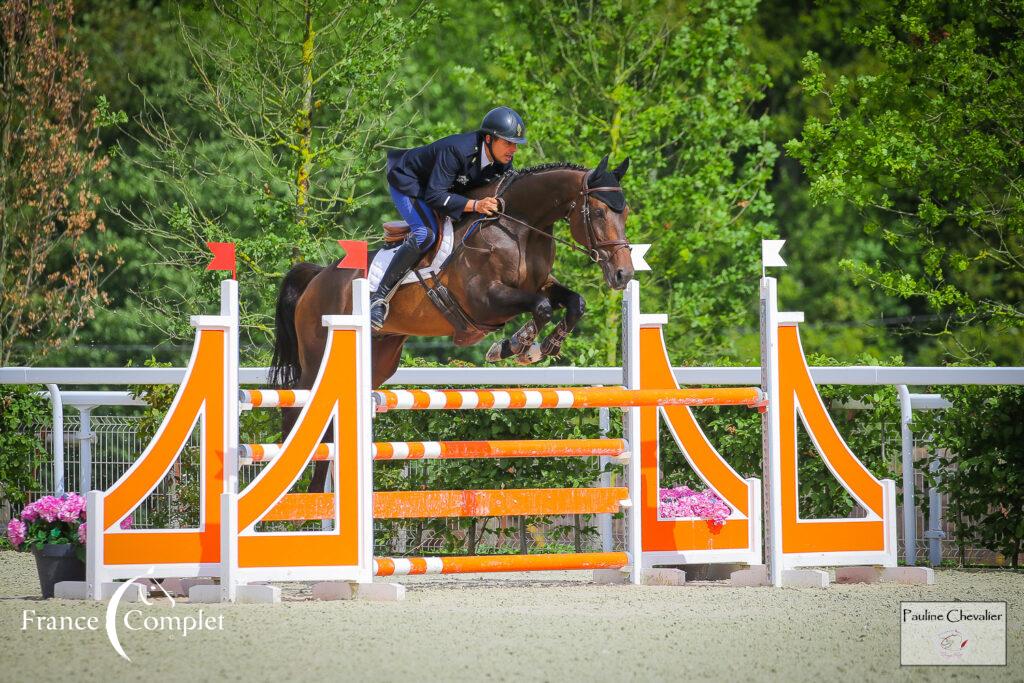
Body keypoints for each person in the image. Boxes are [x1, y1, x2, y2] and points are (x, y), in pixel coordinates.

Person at [370, 106, 527, 329]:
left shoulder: (503, 161)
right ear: (489, 139)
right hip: (411, 183)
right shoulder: (456, 150)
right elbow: (435, 195)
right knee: (426, 234)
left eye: (516, 144)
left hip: (444, 190)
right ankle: (378, 298)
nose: (514, 149)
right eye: (508, 142)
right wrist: (475, 205)